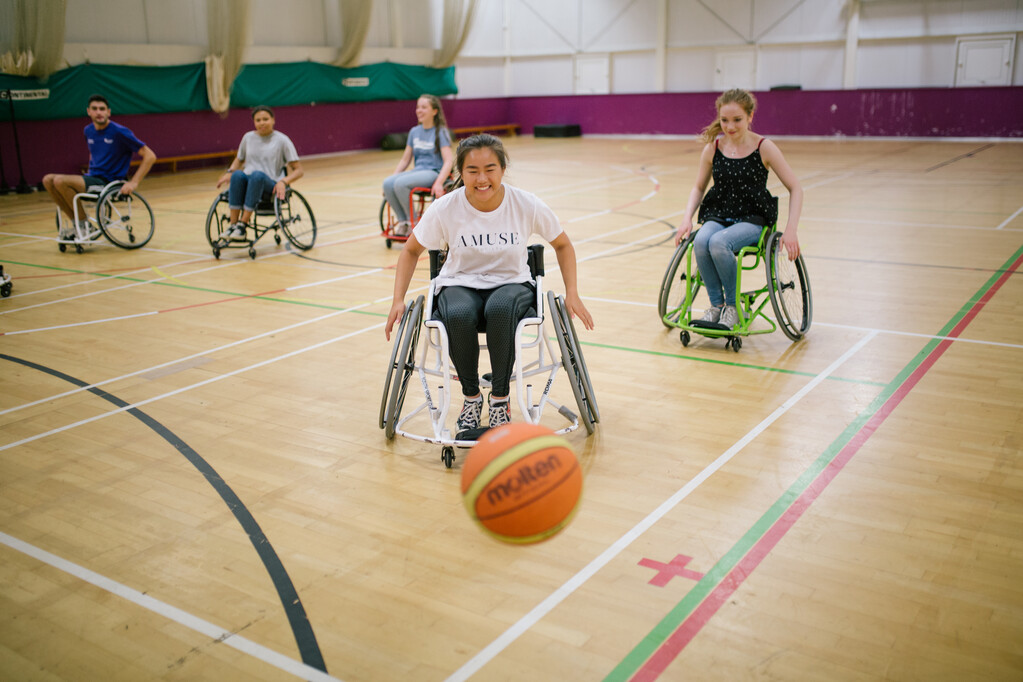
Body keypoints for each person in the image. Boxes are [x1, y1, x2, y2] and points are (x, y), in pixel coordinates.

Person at [385, 134, 594, 431]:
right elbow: (409, 250)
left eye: (490, 169)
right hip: (459, 283)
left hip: (512, 283)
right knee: (458, 314)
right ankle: (471, 397)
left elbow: (563, 244)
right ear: (460, 173)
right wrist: (397, 299)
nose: (482, 179)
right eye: (472, 171)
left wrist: (572, 292)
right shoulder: (447, 207)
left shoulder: (525, 203)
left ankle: (499, 399)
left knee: (500, 309)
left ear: (503, 168)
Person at [675, 88, 803, 330]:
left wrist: (791, 229)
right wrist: (686, 219)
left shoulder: (764, 147)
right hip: (720, 213)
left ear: (750, 116)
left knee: (718, 243)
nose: (729, 126)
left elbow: (796, 188)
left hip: (752, 219)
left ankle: (732, 308)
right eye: (724, 120)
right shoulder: (714, 148)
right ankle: (716, 307)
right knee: (702, 240)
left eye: (737, 120)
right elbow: (698, 187)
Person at [43, 94, 157, 239]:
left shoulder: (119, 132)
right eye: (95, 109)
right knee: (48, 180)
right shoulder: (88, 131)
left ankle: (84, 226)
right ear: (88, 111)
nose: (99, 112)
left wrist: (133, 182)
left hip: (109, 183)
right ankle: (78, 224)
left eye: (102, 109)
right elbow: (93, 152)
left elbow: (150, 156)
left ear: (108, 112)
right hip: (93, 178)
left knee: (60, 181)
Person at [216, 105, 304, 242]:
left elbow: (299, 170)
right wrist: (229, 172)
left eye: (265, 119)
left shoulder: (282, 140)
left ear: (273, 120)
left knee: (257, 175)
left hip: (270, 186)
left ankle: (242, 225)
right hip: (248, 184)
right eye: (258, 120)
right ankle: (233, 226)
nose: (262, 122)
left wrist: (284, 182)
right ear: (254, 122)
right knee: (238, 175)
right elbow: (239, 159)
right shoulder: (248, 138)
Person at [382, 94, 454, 236]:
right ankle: (403, 223)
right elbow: (405, 160)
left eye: (424, 107)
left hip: (433, 172)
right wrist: (393, 176)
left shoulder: (441, 132)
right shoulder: (414, 132)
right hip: (418, 171)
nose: (419, 110)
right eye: (418, 107)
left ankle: (412, 223)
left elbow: (448, 161)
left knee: (400, 184)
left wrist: (439, 183)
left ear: (434, 111)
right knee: (388, 183)